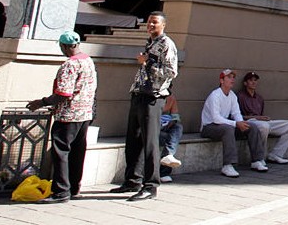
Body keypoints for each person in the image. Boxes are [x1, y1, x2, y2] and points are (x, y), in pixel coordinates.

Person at [110, 11, 178, 201]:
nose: (150, 25)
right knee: (134, 140)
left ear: (163, 25)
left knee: (150, 143)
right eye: (149, 22)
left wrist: (147, 62)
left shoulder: (167, 44)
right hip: (139, 94)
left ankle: (150, 186)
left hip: (153, 97)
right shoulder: (150, 43)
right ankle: (132, 180)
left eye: (155, 22)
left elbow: (171, 72)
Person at [26, 31, 97, 203]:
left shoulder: (69, 64)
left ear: (64, 46)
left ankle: (61, 191)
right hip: (84, 114)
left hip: (68, 115)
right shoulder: (87, 60)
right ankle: (73, 188)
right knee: (77, 152)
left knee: (61, 152)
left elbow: (64, 93)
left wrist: (41, 102)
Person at [200, 69, 268, 177]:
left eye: (233, 77)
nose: (232, 80)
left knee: (252, 127)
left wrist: (241, 123)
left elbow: (236, 113)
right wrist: (236, 124)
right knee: (228, 129)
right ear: (221, 80)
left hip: (224, 125)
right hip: (209, 127)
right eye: (229, 77)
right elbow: (216, 118)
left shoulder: (232, 96)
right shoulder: (215, 95)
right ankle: (228, 165)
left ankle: (257, 160)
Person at [237, 71, 288, 164]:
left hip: (262, 122)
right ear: (245, 83)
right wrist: (258, 118)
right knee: (264, 126)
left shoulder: (259, 98)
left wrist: (263, 118)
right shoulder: (240, 96)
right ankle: (260, 158)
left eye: (255, 80)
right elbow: (238, 117)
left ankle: (276, 154)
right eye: (251, 80)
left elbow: (261, 115)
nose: (254, 82)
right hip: (249, 122)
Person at [159, 93, 183, 182]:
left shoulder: (171, 98)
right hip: (153, 129)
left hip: (166, 127)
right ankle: (164, 173)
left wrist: (172, 121)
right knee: (171, 139)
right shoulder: (152, 97)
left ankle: (168, 155)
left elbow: (175, 116)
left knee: (178, 127)